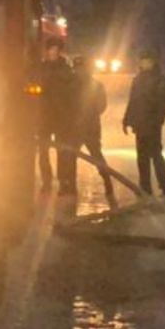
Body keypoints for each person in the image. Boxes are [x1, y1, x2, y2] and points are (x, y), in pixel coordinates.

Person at [122, 46, 165, 198]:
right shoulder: (138, 79)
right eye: (142, 60)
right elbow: (133, 101)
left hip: (152, 126)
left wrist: (157, 121)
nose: (144, 63)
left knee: (156, 155)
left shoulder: (159, 80)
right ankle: (145, 188)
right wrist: (127, 119)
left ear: (153, 62)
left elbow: (163, 103)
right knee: (142, 158)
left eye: (147, 61)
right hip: (140, 125)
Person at [70, 55, 117, 207]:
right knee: (78, 157)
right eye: (77, 68)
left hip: (88, 127)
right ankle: (106, 184)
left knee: (93, 156)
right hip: (81, 127)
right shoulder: (75, 85)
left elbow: (101, 106)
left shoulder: (92, 86)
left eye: (80, 68)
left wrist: (87, 115)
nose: (78, 71)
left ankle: (106, 183)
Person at [37, 38, 77, 195]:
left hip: (61, 117)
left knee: (62, 152)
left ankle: (63, 182)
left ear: (59, 51)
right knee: (43, 151)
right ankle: (46, 181)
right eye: (50, 50)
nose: (52, 53)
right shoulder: (42, 68)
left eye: (55, 50)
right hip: (45, 117)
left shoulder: (66, 71)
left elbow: (72, 96)